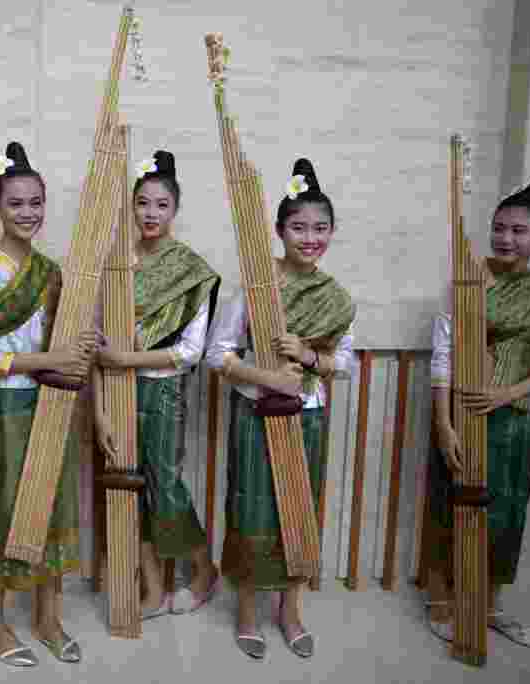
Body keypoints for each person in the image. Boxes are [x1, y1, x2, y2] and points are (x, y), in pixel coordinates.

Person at [205, 158, 355, 660]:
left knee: (300, 512)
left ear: (332, 231)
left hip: (307, 414)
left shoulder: (336, 298)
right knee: (253, 509)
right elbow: (217, 354)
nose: (309, 237)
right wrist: (267, 375)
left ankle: (290, 612)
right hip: (255, 413)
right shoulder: (253, 286)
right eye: (298, 227)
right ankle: (247, 611)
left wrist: (308, 356)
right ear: (278, 231)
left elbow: (344, 362)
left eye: (319, 228)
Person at [0, 141, 97, 667]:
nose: (28, 213)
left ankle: (48, 619)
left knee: (59, 510)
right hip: (11, 408)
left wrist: (82, 345)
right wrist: (48, 360)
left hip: (56, 406)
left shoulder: (54, 271)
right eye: (16, 203)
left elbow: (67, 340)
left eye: (36, 202)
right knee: (12, 512)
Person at [425, 174, 530, 652]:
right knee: (455, 504)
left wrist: (507, 394)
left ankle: (488, 607)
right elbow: (442, 356)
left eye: (518, 231)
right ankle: (441, 602)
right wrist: (444, 424)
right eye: (499, 227)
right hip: (462, 418)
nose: (505, 238)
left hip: (513, 425)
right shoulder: (467, 282)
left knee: (505, 515)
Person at [92, 149, 222, 620]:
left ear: (175, 210)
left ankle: (204, 572)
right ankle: (153, 590)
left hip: (162, 390)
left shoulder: (191, 270)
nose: (151, 213)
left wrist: (126, 357)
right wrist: (101, 408)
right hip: (119, 390)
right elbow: (98, 341)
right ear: (132, 206)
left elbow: (189, 352)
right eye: (143, 203)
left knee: (164, 484)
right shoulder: (117, 265)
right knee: (132, 484)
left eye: (161, 205)